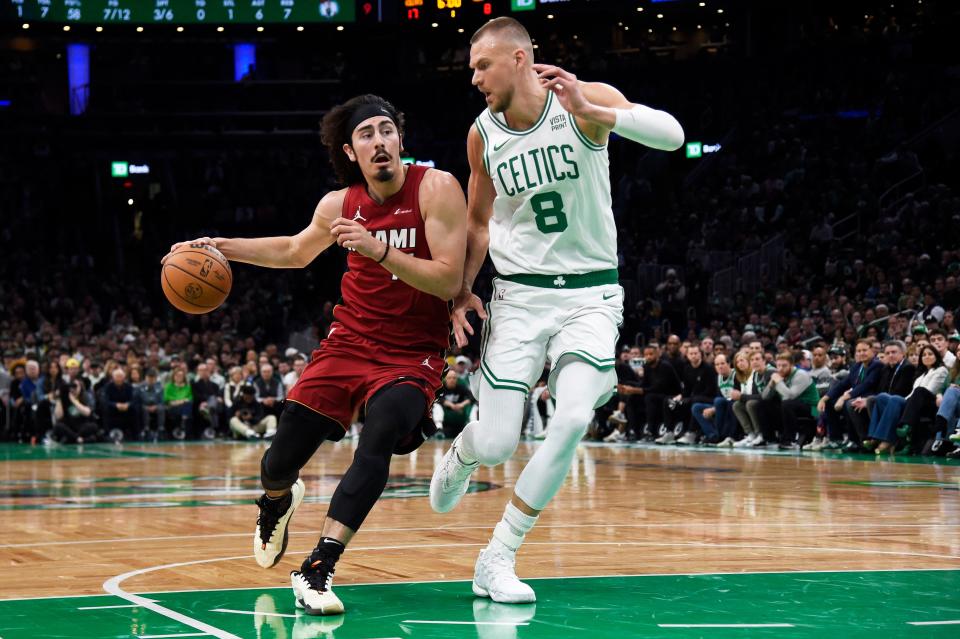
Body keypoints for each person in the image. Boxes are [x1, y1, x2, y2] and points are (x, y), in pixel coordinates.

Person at [164, 93, 466, 615]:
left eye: (386, 130)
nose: (380, 141)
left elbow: (447, 281)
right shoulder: (338, 204)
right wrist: (221, 246)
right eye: (366, 135)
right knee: (278, 461)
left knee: (378, 439)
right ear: (350, 151)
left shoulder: (436, 189)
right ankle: (276, 500)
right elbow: (293, 251)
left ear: (400, 138)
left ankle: (318, 567)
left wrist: (378, 249)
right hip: (349, 344)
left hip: (411, 353)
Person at [429, 16, 683, 604]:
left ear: (519, 59)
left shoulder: (581, 102)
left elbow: (672, 135)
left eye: (482, 66)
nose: (474, 79)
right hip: (519, 297)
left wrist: (598, 114)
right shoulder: (482, 134)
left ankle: (498, 555)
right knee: (495, 442)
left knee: (570, 418)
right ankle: (466, 451)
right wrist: (464, 290)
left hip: (590, 294)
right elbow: (478, 220)